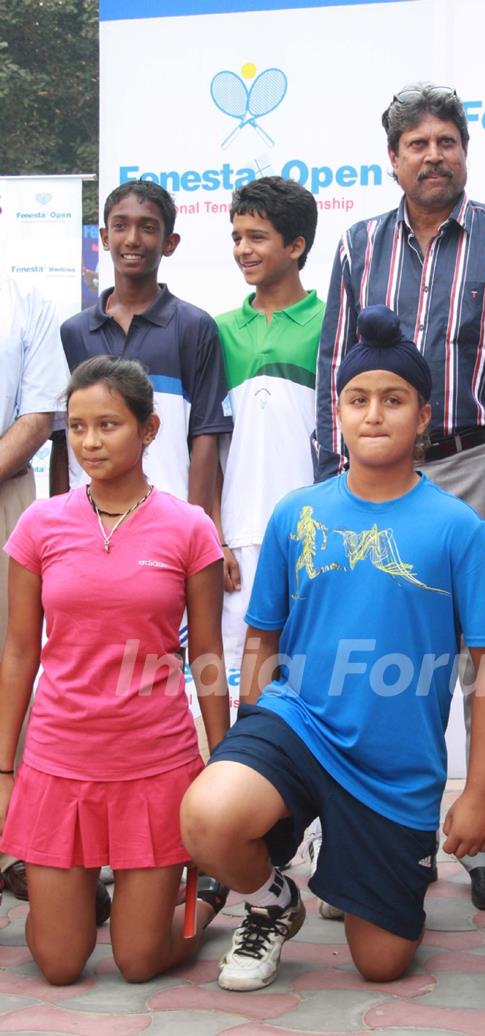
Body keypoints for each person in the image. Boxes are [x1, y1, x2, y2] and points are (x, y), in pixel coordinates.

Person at [181, 305, 485, 992]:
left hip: (395, 767)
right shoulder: (295, 513)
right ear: (336, 412)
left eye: (394, 400)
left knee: (381, 964)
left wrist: (479, 791)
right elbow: (263, 638)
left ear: (423, 416)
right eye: (358, 399)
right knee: (209, 814)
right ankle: (275, 904)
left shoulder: (458, 529)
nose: (374, 414)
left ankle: (357, 856)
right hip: (298, 724)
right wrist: (252, 737)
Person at [312, 81, 485, 912]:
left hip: (473, 465)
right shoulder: (355, 247)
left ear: (464, 150)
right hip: (371, 479)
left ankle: (479, 830)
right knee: (382, 658)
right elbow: (332, 373)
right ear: (391, 160)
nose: (433, 155)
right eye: (416, 144)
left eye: (446, 141)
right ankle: (384, 838)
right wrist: (326, 492)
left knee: (474, 657)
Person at [0, 356, 230, 985]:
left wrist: (225, 762)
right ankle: (91, 899)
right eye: (76, 427)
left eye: (108, 424)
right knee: (59, 964)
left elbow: (206, 654)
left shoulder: (189, 528)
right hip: (58, 761)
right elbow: (20, 651)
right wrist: (3, 770)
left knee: (138, 961)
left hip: (153, 760)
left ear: (149, 430)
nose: (90, 442)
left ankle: (206, 899)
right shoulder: (39, 525)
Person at [50, 180, 231, 513]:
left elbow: (205, 435)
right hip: (88, 521)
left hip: (168, 519)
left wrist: (197, 523)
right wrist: (59, 519)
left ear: (169, 243)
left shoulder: (193, 327)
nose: (132, 239)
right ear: (105, 237)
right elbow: (63, 439)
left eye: (147, 228)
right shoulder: (73, 332)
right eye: (120, 226)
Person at [213, 176, 323, 675]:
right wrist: (215, 534)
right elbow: (207, 443)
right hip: (237, 539)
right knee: (240, 683)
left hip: (315, 535)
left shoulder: (332, 322)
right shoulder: (216, 331)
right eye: (237, 237)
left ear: (295, 246)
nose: (242, 249)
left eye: (257, 237)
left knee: (316, 674)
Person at [0, 275, 77, 909]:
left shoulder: (29, 303)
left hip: (5, 492)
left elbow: (37, 416)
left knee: (12, 657)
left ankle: (13, 847)